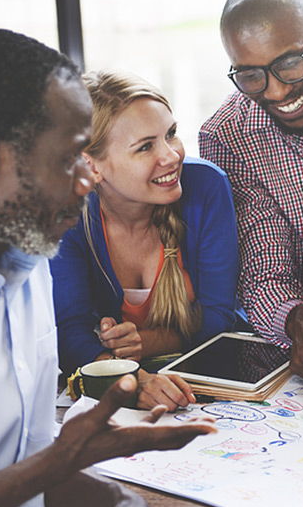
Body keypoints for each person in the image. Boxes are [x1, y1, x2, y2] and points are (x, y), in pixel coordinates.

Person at [0, 29, 216, 507]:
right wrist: (61, 463)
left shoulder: (27, 265)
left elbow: (25, 461)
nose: (90, 179)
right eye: (71, 156)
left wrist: (104, 499)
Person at [199, 0, 303, 407]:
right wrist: (297, 317)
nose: (277, 90)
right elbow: (264, 269)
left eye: (289, 64)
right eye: (250, 75)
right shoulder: (229, 135)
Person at [51, 70, 242, 410]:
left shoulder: (207, 186)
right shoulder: (67, 214)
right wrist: (133, 379)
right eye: (145, 147)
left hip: (211, 382)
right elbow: (68, 332)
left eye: (171, 134)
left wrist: (144, 343)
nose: (171, 156)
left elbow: (219, 316)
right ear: (92, 167)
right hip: (125, 391)